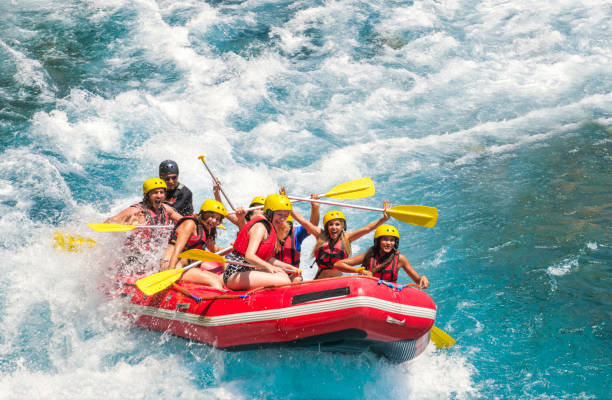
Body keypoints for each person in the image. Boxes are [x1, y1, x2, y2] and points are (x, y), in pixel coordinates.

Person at [291, 201, 392, 279]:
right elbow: (303, 222)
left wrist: (384, 219)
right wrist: (287, 206)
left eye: (337, 224)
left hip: (339, 279)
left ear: (342, 226)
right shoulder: (320, 235)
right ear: (326, 227)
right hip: (320, 279)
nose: (334, 227)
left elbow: (367, 229)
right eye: (330, 224)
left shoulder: (347, 238)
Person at [223, 194, 301, 290]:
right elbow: (249, 256)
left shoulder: (270, 228)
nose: (282, 219)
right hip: (235, 273)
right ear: (269, 212)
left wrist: (291, 268)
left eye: (285, 215)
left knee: (283, 275)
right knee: (284, 282)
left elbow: (268, 259)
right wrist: (269, 267)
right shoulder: (260, 227)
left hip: (246, 271)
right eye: (279, 214)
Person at [104, 178, 182, 272]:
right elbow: (109, 222)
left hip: (155, 254)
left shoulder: (166, 209)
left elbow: (183, 221)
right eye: (155, 193)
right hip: (133, 256)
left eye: (161, 192)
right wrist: (128, 223)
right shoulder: (136, 210)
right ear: (147, 195)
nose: (159, 195)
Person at [159, 200, 229, 289]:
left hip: (186, 267)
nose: (214, 221)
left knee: (219, 279)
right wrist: (170, 273)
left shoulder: (204, 229)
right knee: (214, 281)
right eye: (211, 216)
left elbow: (217, 250)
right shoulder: (190, 224)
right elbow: (177, 250)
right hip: (172, 265)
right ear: (204, 214)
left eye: (218, 219)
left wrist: (234, 247)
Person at [333, 224, 429, 288]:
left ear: (395, 243)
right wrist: (359, 270)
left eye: (392, 240)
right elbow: (338, 264)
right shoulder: (368, 256)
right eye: (385, 240)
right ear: (378, 241)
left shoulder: (400, 259)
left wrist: (423, 279)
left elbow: (418, 281)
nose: (388, 243)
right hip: (369, 292)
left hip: (388, 295)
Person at [275, 194, 320, 268]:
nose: (286, 227)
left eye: (289, 224)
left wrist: (315, 207)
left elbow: (312, 226)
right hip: (273, 273)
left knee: (297, 280)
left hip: (293, 275)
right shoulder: (268, 231)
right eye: (282, 224)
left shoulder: (296, 233)